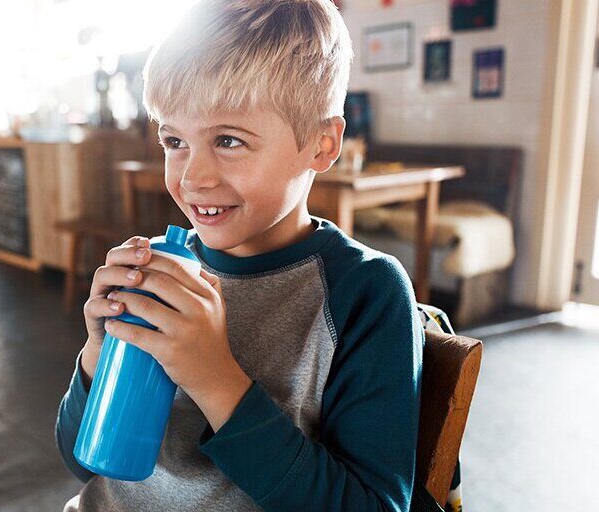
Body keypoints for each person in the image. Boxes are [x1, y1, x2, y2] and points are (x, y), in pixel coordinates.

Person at [55, 1, 424, 510]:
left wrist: (215, 379)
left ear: (321, 144)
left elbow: (373, 504)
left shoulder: (364, 293)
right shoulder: (162, 269)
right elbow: (80, 462)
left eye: (228, 140)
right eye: (174, 140)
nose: (192, 177)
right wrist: (97, 356)